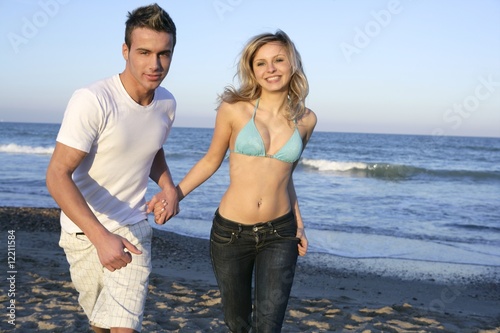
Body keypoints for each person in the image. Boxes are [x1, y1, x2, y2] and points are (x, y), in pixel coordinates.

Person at [151, 30, 316, 332]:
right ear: (252, 70)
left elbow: (285, 177)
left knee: (269, 325)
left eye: (279, 60)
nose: (271, 69)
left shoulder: (306, 119)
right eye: (261, 63)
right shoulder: (234, 109)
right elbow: (211, 160)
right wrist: (174, 194)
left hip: (280, 233)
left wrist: (299, 223)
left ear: (292, 63)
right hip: (230, 234)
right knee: (237, 322)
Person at [45, 4, 179, 333]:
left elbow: (152, 149)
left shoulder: (167, 103)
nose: (155, 64)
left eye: (164, 53)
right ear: (125, 50)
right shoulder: (93, 100)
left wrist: (169, 187)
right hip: (84, 233)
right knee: (99, 323)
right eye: (144, 52)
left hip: (133, 226)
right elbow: (56, 175)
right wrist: (100, 237)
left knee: (123, 327)